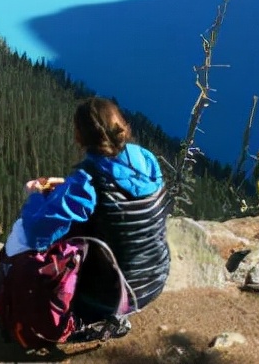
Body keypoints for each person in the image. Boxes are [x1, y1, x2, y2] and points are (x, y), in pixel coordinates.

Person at [13, 97, 170, 329]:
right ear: (122, 126)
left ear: (80, 137)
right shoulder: (146, 159)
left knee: (21, 234)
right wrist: (67, 188)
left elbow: (38, 233)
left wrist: (36, 195)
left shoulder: (88, 179)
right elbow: (121, 193)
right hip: (155, 280)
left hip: (109, 299)